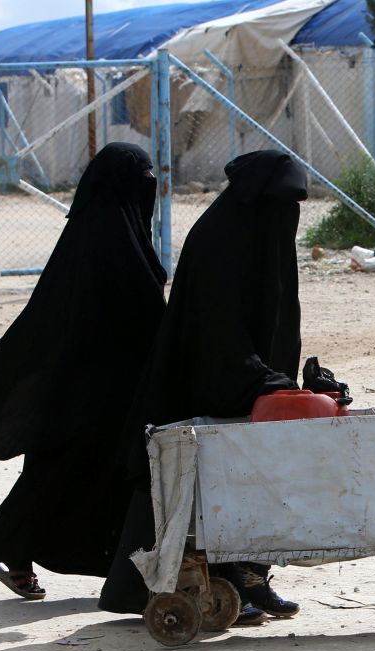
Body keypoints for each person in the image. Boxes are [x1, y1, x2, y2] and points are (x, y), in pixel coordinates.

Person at [0, 143, 167, 599]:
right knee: (61, 474)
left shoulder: (103, 232)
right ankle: (8, 549)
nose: (149, 186)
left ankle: (112, 567)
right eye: (141, 176)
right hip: (88, 391)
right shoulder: (106, 240)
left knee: (88, 476)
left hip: (104, 387)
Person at [98, 150, 307, 622]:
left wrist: (287, 381)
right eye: (282, 204)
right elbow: (215, 332)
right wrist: (258, 377)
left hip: (255, 384)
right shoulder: (220, 238)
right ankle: (212, 586)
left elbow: (278, 321)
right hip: (206, 385)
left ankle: (251, 578)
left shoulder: (264, 235)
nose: (287, 217)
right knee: (200, 487)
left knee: (259, 480)